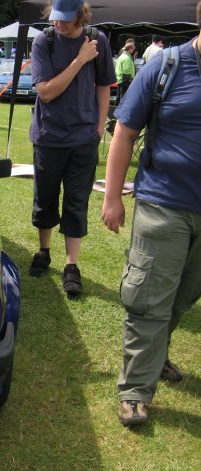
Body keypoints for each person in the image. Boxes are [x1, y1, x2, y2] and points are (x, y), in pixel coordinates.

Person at [101, 1, 201, 427]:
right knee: (149, 301)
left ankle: (155, 355)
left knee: (182, 297)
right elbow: (124, 131)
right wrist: (112, 197)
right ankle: (135, 391)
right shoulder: (167, 66)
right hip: (164, 203)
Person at [27, 0, 115, 298]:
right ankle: (44, 251)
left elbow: (104, 85)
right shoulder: (44, 41)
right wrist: (79, 60)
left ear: (81, 15)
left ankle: (71, 266)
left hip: (83, 139)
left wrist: (100, 125)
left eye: (64, 19)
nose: (58, 24)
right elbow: (47, 92)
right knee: (46, 198)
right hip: (48, 137)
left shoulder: (98, 39)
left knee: (77, 202)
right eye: (55, 18)